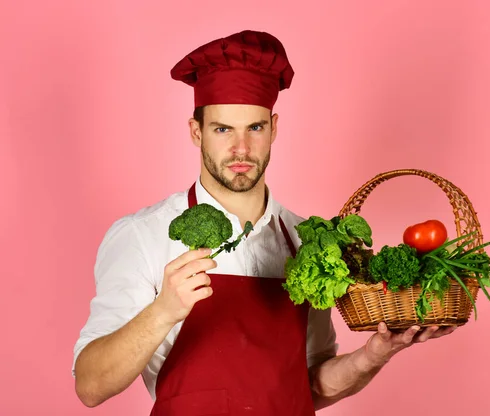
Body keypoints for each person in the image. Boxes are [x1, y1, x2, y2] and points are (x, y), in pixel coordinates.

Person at [72, 29, 456, 415]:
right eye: (223, 129)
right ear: (196, 132)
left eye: (254, 128)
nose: (241, 148)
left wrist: (373, 356)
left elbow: (309, 385)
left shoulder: (309, 247)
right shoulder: (144, 235)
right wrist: (163, 311)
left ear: (274, 128)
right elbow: (90, 385)